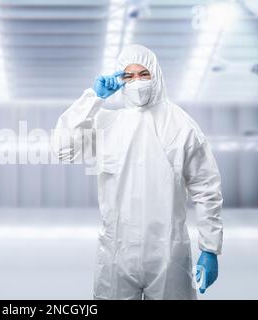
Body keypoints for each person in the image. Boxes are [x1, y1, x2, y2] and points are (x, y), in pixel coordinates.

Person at [50, 44, 223, 300]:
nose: (137, 81)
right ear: (120, 80)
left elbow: (206, 187)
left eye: (144, 74)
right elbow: (62, 150)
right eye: (128, 76)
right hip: (116, 254)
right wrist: (92, 99)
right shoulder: (106, 122)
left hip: (168, 255)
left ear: (156, 75)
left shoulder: (181, 125)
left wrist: (209, 248)